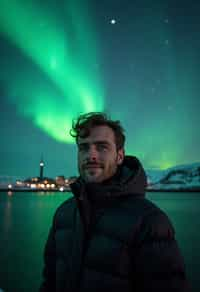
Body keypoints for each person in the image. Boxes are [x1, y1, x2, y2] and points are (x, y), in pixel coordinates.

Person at [40, 112, 190, 292]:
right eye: (84, 148)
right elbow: (50, 281)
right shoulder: (64, 213)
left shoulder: (150, 221)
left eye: (101, 147)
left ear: (120, 156)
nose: (91, 155)